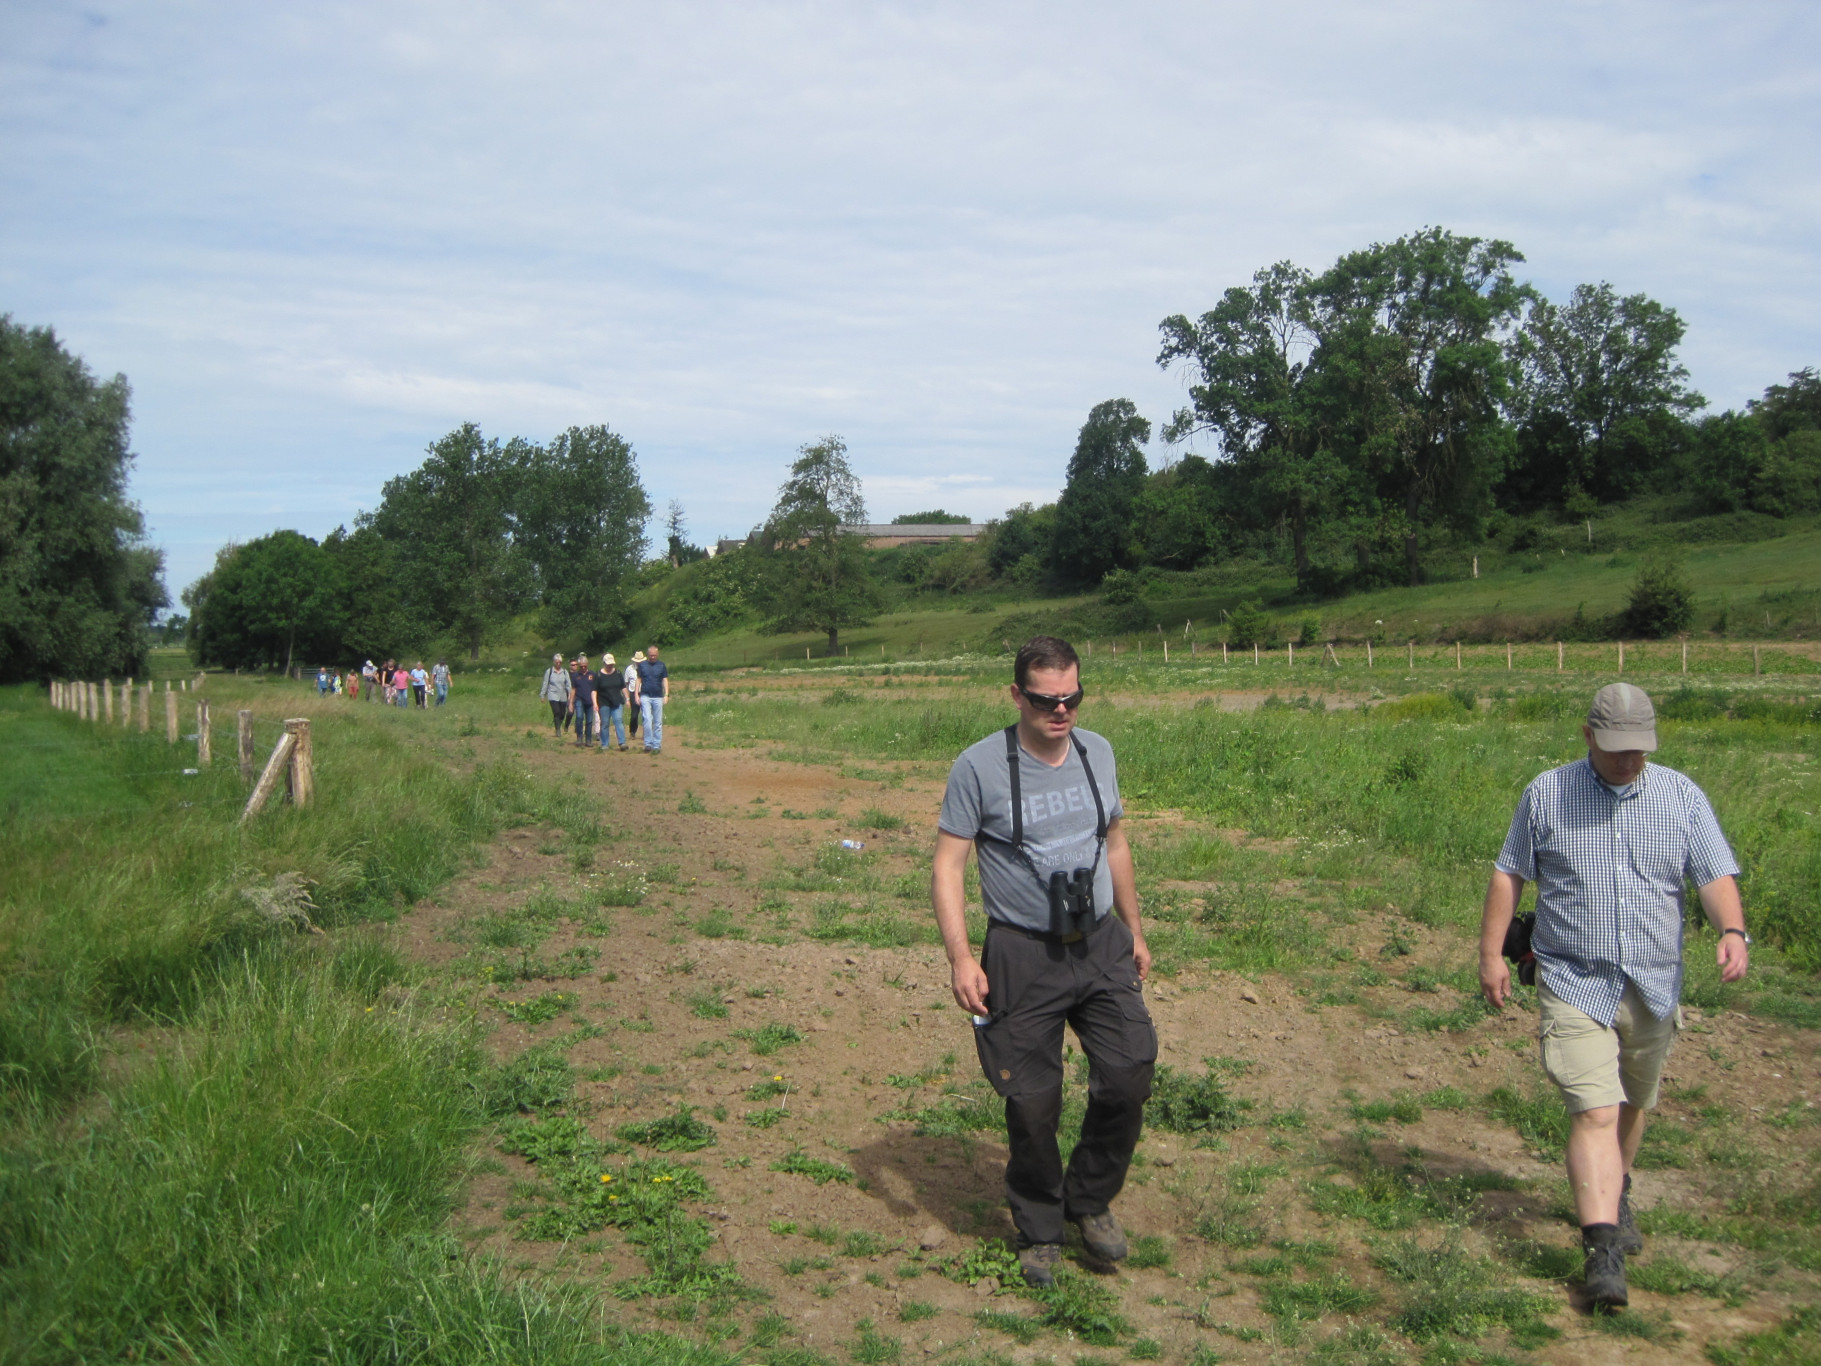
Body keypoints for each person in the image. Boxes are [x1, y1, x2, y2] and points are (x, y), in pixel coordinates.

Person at [1478, 683, 1749, 1310]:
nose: (1628, 760)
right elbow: (1509, 871)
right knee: (1594, 1108)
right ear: (1588, 736)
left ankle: (1617, 1188)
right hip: (1573, 975)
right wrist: (1491, 953)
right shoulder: (1547, 793)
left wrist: (1731, 929)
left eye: (1639, 749)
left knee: (1631, 1100)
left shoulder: (1681, 796)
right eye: (1616, 748)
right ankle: (1601, 1249)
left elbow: (1713, 873)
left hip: (1653, 981)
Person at [932, 635, 1155, 1288]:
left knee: (1129, 1068)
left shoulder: (1097, 752)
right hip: (1022, 952)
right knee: (1031, 1100)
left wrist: (1135, 930)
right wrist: (960, 957)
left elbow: (1114, 842)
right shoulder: (979, 767)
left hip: (1100, 942)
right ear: (1016, 696)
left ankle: (1088, 1200)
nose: (1060, 712)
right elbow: (948, 864)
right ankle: (1039, 1226)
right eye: (1044, 701)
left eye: (1071, 698)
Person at [635, 644, 670, 753]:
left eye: (654, 655)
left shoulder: (661, 665)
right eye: (651, 655)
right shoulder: (642, 665)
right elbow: (638, 680)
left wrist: (666, 694)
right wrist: (636, 694)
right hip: (645, 695)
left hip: (658, 696)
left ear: (657, 655)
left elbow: (665, 680)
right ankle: (648, 743)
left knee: (658, 721)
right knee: (647, 719)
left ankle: (657, 745)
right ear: (648, 655)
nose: (653, 657)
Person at [597, 652, 629, 751]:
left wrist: (627, 699)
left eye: (612, 664)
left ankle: (622, 743)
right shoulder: (598, 675)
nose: (610, 666)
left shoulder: (618, 673)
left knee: (618, 720)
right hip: (604, 702)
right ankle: (605, 744)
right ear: (604, 663)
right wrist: (595, 703)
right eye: (608, 664)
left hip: (617, 702)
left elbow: (623, 687)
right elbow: (594, 690)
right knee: (605, 723)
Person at [540, 652, 573, 735]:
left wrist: (570, 695)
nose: (558, 664)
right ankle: (558, 729)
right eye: (557, 662)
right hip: (553, 695)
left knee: (562, 713)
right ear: (554, 662)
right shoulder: (549, 671)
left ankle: (558, 723)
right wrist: (542, 695)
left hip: (563, 695)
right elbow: (545, 683)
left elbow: (568, 684)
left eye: (560, 662)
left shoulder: (565, 672)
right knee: (556, 711)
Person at [569, 654, 597, 748]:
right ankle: (579, 737)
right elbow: (573, 689)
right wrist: (571, 702)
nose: (583, 668)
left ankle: (588, 739)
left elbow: (596, 689)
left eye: (585, 666)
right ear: (579, 666)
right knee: (579, 717)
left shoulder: (592, 675)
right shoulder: (576, 676)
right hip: (579, 699)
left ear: (587, 665)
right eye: (581, 666)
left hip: (589, 701)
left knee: (589, 721)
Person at [625, 649, 643, 739]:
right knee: (634, 714)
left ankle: (646, 732)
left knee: (646, 714)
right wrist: (628, 696)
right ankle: (632, 731)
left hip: (644, 692)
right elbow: (627, 682)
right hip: (633, 693)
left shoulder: (645, 668)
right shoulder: (629, 669)